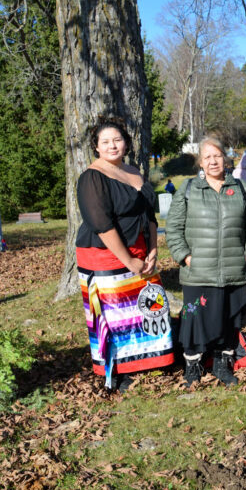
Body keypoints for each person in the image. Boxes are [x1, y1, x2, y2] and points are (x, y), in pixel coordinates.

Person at [76, 117, 174, 391]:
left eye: (117, 140)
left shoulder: (134, 171)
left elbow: (149, 214)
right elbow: (101, 224)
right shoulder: (92, 177)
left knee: (148, 306)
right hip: (105, 254)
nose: (112, 146)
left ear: (127, 143)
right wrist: (127, 260)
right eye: (105, 141)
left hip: (140, 250)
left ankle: (149, 359)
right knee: (114, 314)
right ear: (96, 147)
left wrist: (153, 249)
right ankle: (116, 370)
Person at [165, 136, 246, 387]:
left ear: (225, 159)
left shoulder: (241, 188)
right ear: (200, 162)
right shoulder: (188, 189)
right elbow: (173, 228)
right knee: (194, 320)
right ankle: (193, 366)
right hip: (198, 272)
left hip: (233, 269)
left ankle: (221, 364)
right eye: (207, 157)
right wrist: (185, 256)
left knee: (229, 319)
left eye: (217, 155)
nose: (213, 161)